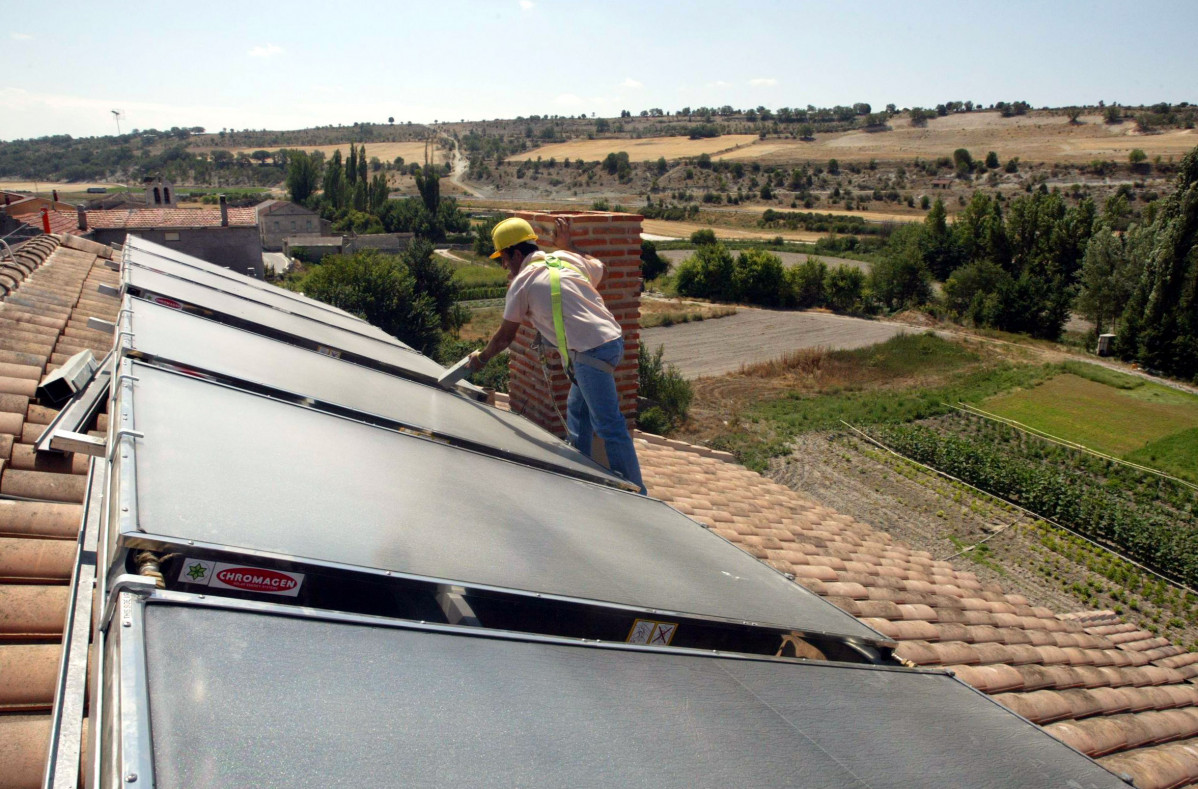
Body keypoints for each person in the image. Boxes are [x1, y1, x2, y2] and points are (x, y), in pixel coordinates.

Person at [469, 216, 646, 494]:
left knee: (609, 426)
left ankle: (638, 494)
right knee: (577, 409)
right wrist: (570, 246)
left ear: (516, 254)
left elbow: (505, 337)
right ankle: (579, 469)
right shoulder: (564, 258)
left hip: (590, 353)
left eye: (503, 258)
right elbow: (603, 270)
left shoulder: (522, 283)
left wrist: (480, 359)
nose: (504, 266)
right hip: (612, 341)